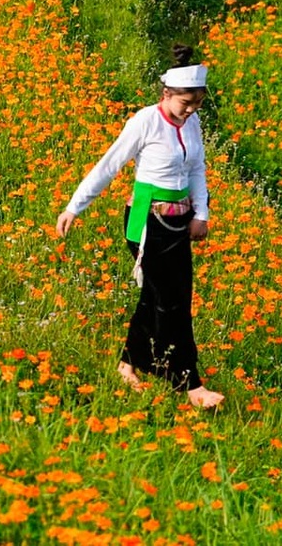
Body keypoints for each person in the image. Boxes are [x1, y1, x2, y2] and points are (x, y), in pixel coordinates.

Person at [57, 45, 224, 409]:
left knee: (156, 297)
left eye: (197, 104)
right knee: (173, 303)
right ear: (167, 95)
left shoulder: (191, 122)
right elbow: (108, 165)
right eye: (185, 104)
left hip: (180, 221)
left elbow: (196, 168)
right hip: (149, 223)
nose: (191, 111)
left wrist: (202, 213)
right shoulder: (144, 122)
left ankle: (127, 364)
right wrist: (75, 206)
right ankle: (187, 383)